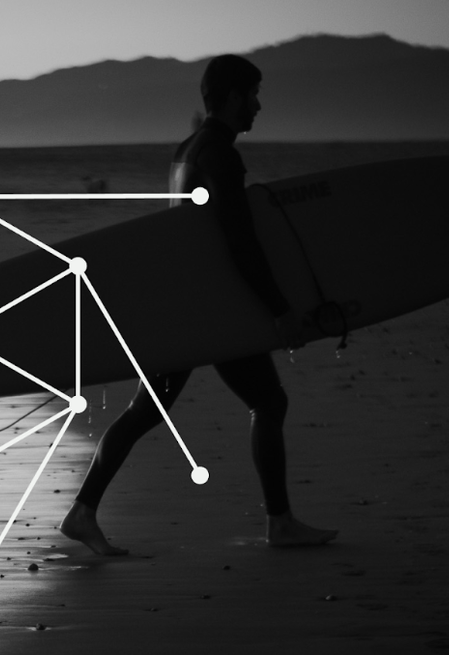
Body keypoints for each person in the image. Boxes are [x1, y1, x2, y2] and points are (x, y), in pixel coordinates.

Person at [59, 54, 338, 555]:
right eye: (252, 94)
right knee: (267, 401)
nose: (258, 105)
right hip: (213, 309)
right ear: (231, 96)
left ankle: (82, 512)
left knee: (147, 410)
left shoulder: (187, 149)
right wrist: (278, 309)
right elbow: (238, 241)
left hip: (185, 304)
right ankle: (280, 522)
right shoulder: (221, 156)